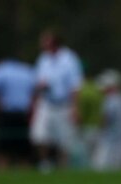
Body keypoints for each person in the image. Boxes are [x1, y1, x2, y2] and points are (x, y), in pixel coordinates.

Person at [30, 28, 83, 172]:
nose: (42, 44)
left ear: (54, 42)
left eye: (45, 40)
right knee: (39, 135)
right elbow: (38, 82)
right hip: (46, 102)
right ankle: (45, 164)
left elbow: (75, 86)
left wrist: (75, 108)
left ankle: (63, 166)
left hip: (64, 104)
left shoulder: (69, 59)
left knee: (65, 140)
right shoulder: (43, 59)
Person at [0, 57, 36, 170]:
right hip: (24, 113)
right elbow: (37, 88)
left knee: (3, 146)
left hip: (6, 112)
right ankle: (24, 171)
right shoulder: (27, 70)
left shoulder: (1, 69)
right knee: (23, 147)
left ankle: (2, 171)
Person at [91, 69, 121, 171]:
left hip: (109, 142)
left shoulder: (111, 99)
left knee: (100, 168)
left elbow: (105, 119)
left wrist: (96, 131)